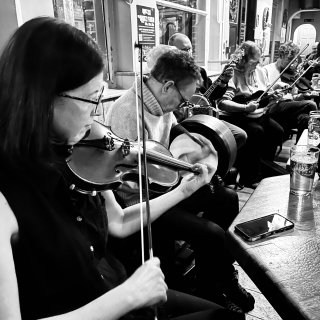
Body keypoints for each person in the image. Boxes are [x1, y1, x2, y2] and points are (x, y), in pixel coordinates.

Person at [0, 17, 245, 320]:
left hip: (116, 290)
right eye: (91, 99)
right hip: (110, 304)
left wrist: (184, 190)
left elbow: (118, 221)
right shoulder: (6, 199)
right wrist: (128, 296)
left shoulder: (78, 156)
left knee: (222, 316)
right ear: (43, 98)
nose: (96, 113)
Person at [105, 48, 255, 314]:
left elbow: (172, 133)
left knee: (226, 198)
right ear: (168, 86)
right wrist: (182, 181)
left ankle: (215, 277)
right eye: (183, 99)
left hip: (168, 184)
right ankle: (213, 288)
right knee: (211, 233)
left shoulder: (160, 100)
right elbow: (135, 181)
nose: (183, 106)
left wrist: (197, 148)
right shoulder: (127, 112)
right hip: (144, 200)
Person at [218, 41, 284, 189]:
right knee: (256, 132)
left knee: (277, 131)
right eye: (255, 61)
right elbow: (223, 103)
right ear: (243, 60)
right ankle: (249, 177)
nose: (258, 63)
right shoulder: (232, 72)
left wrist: (273, 96)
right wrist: (245, 107)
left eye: (260, 60)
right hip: (237, 116)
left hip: (257, 115)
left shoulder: (260, 71)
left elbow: (264, 94)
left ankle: (264, 168)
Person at [168, 32, 247, 151]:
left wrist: (224, 81)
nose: (189, 53)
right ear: (172, 52)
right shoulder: (167, 74)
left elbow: (213, 95)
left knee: (240, 135)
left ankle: (217, 165)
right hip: (183, 122)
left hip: (207, 119)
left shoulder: (200, 71)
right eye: (184, 50)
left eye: (190, 49)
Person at [262, 41, 318, 142]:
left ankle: (300, 150)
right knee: (311, 105)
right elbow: (263, 94)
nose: (292, 62)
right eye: (289, 59)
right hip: (272, 106)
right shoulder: (266, 70)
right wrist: (276, 86)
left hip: (287, 107)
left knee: (305, 118)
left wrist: (303, 95)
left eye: (294, 60)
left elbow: (293, 97)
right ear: (281, 55)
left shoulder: (291, 73)